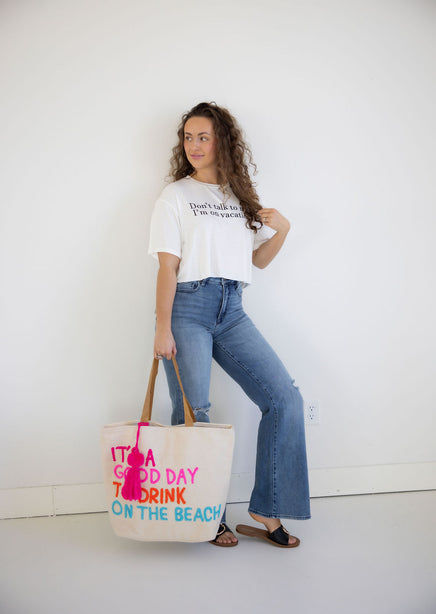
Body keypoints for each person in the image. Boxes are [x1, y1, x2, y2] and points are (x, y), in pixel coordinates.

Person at [148, 102, 310, 547]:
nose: (194, 145)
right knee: (195, 413)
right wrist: (163, 327)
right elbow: (167, 267)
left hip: (232, 308)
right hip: (188, 307)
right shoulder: (175, 196)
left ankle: (266, 508)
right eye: (188, 137)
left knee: (284, 399)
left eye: (203, 137)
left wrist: (283, 231)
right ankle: (205, 515)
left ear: (223, 142)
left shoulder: (239, 195)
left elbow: (257, 260)